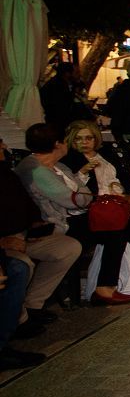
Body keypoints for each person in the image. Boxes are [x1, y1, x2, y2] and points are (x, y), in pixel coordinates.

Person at [16, 123, 130, 306]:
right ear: (59, 144)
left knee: (126, 223)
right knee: (115, 230)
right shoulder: (35, 169)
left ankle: (115, 279)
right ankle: (105, 287)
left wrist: (81, 197)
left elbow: (81, 191)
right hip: (56, 223)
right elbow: (72, 199)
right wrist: (81, 197)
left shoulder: (58, 166)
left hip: (75, 215)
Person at [0, 140, 81, 332]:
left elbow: (24, 204)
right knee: (21, 266)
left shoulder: (6, 172)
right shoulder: (30, 167)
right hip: (6, 242)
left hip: (23, 234)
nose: (4, 147)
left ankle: (33, 304)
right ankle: (17, 321)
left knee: (68, 248)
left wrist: (34, 225)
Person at [63, 120, 130, 247]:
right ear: (72, 140)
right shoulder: (70, 159)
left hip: (122, 198)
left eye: (88, 138)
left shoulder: (106, 154)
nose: (84, 142)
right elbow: (74, 188)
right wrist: (82, 172)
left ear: (95, 138)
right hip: (101, 204)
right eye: (78, 139)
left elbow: (124, 177)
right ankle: (129, 255)